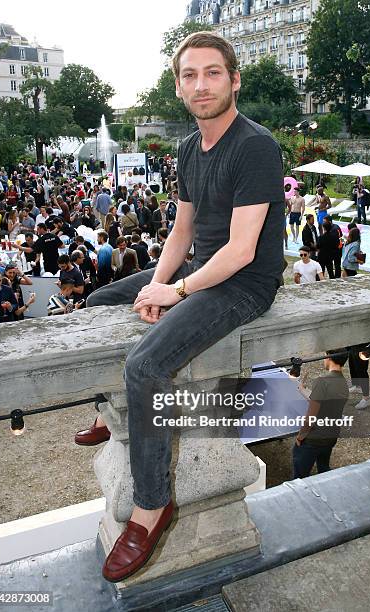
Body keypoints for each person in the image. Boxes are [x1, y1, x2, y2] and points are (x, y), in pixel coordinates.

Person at [80, 31, 284, 583]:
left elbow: (242, 251)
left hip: (243, 283)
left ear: (234, 79)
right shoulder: (189, 147)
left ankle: (150, 508)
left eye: (213, 73)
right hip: (201, 270)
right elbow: (183, 230)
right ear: (178, 86)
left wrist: (178, 293)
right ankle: (116, 411)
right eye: (190, 75)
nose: (201, 85)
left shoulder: (255, 145)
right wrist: (160, 285)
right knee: (100, 299)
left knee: (145, 366)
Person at [293, 348, 349, 478]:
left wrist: (300, 436)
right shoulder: (343, 383)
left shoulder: (322, 381)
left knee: (298, 478)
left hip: (313, 440)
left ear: (329, 357)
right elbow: (321, 401)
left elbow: (311, 417)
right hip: (331, 437)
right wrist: (302, 390)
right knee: (323, 469)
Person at [348, 345, 370, 410]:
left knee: (361, 369)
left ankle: (366, 399)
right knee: (352, 364)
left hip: (363, 343)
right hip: (354, 343)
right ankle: (358, 387)